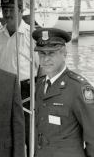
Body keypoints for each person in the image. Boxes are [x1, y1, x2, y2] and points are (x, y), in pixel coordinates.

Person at [32, 28, 94, 157]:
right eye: (42, 54)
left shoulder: (79, 88)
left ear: (64, 53)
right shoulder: (40, 84)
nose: (45, 59)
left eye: (51, 53)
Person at [0, 0, 39, 150]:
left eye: (11, 9)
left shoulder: (32, 34)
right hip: (3, 88)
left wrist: (37, 93)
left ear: (21, 10)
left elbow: (42, 69)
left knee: (27, 132)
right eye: (4, 9)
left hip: (26, 90)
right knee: (6, 133)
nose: (7, 13)